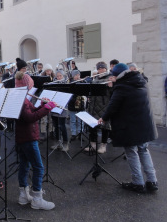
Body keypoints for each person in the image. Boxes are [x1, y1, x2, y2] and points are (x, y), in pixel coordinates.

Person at [99, 63, 158, 193]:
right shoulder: (140, 81)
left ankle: (138, 182)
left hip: (129, 125)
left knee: (131, 152)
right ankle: (152, 181)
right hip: (143, 124)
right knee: (143, 150)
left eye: (113, 76)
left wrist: (103, 118)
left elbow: (113, 106)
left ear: (118, 75)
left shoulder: (122, 87)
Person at [14, 71, 56, 210]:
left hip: (22, 136)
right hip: (28, 137)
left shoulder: (22, 98)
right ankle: (37, 198)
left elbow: (31, 112)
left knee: (25, 165)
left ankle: (23, 196)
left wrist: (43, 105)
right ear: (27, 86)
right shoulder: (22, 100)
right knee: (38, 167)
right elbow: (30, 118)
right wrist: (47, 109)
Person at [86, 61, 112, 154]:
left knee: (105, 126)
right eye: (99, 68)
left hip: (104, 105)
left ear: (105, 68)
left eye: (102, 68)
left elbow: (112, 92)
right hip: (93, 105)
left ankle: (103, 145)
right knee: (92, 126)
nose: (101, 70)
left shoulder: (110, 77)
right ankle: (92, 144)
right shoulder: (95, 78)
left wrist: (110, 86)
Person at [50, 70, 70, 151]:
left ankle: (66, 143)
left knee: (62, 126)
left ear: (63, 76)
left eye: (60, 76)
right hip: (54, 107)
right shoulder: (53, 84)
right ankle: (57, 142)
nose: (58, 77)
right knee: (56, 126)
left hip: (62, 108)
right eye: (57, 76)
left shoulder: (66, 85)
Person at [68, 70, 85, 141]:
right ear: (73, 76)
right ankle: (73, 134)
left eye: (78, 75)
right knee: (73, 120)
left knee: (81, 120)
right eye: (76, 75)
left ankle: (80, 133)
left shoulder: (82, 83)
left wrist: (83, 82)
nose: (77, 77)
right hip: (72, 103)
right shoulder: (70, 83)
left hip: (80, 103)